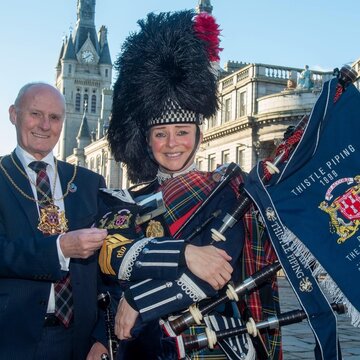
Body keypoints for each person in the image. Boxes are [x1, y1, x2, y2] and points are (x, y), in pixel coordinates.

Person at [98, 10, 282, 360]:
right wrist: (185, 253)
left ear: (198, 136)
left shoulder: (226, 188)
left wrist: (138, 299)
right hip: (145, 347)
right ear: (145, 139)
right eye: (160, 134)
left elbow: (216, 270)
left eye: (182, 132)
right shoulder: (123, 199)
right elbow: (112, 257)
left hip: (219, 345)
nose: (172, 144)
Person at [0, 82, 113, 359]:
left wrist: (103, 335)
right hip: (12, 339)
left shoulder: (88, 182)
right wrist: (59, 249)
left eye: (54, 117)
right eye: (35, 114)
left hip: (81, 340)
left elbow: (110, 268)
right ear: (14, 114)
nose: (44, 125)